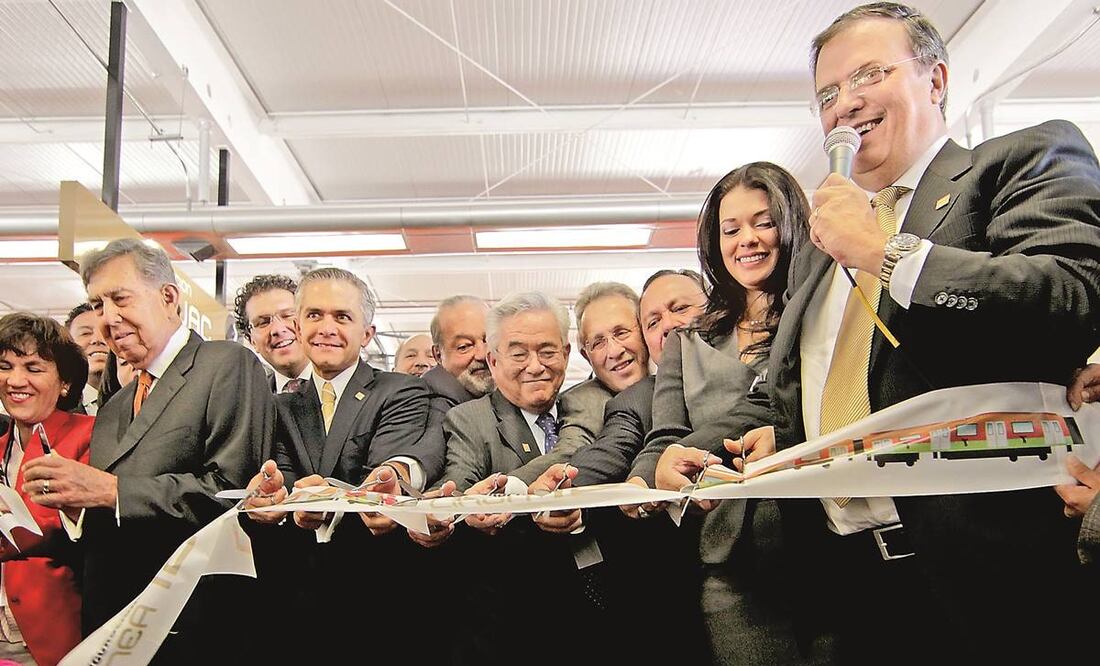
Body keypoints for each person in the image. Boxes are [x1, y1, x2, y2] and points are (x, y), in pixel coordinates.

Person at [766, 3, 1100, 661]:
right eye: (827, 93)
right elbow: (802, 381)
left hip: (993, 575)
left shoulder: (1018, 160)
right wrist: (758, 438)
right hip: (849, 583)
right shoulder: (818, 246)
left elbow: (1068, 295)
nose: (845, 103)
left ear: (937, 81)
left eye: (868, 75)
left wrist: (885, 253)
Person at [23, 238, 274, 662]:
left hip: (192, 624)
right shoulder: (117, 402)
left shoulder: (226, 364)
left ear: (169, 297)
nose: (107, 319)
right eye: (97, 305)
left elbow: (233, 494)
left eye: (120, 299)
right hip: (112, 627)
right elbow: (107, 512)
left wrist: (110, 491)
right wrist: (70, 508)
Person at [643, 163, 821, 663]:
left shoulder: (823, 311)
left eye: (763, 222)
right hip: (731, 561)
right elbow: (667, 435)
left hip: (826, 545)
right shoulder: (688, 340)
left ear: (791, 224)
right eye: (731, 229)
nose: (748, 240)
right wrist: (646, 478)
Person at [241, 267, 433, 660]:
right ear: (298, 324)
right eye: (314, 315)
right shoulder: (279, 406)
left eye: (342, 317)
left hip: (378, 602)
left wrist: (312, 496)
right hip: (293, 610)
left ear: (366, 334)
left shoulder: (400, 391)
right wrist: (269, 501)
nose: (326, 327)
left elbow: (379, 482)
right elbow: (279, 479)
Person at [0, 313, 90, 666]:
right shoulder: (2, 444)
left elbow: (85, 531)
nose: (16, 380)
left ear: (65, 382)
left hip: (49, 630)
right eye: (5, 366)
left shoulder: (89, 435)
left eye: (34, 368)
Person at [233, 274, 310, 393]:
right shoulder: (251, 402)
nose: (277, 329)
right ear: (251, 340)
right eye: (263, 322)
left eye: (288, 315)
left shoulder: (346, 387)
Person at [65, 303, 109, 415]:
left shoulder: (139, 400)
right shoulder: (55, 407)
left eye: (106, 331)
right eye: (85, 333)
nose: (97, 340)